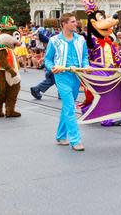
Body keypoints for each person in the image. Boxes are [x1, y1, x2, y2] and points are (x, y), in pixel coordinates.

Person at [44, 13, 90, 151]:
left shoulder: (81, 39)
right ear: (64, 24)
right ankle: (75, 140)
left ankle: (60, 135)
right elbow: (48, 59)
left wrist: (86, 66)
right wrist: (52, 68)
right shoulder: (54, 40)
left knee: (67, 107)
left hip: (76, 76)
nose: (76, 24)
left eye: (75, 22)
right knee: (70, 106)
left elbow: (84, 57)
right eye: (73, 21)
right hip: (62, 76)